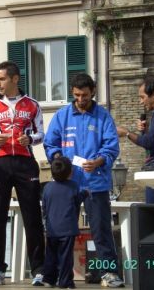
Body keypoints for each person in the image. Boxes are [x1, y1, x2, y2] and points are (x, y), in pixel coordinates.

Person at [44, 73, 124, 288]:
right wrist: (58, 159)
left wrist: (98, 162)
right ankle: (53, 275)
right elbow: (50, 144)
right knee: (58, 232)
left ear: (93, 91)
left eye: (85, 95)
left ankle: (109, 273)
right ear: (72, 92)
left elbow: (111, 146)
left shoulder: (103, 116)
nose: (81, 99)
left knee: (101, 230)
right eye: (77, 95)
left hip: (94, 183)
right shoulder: (61, 116)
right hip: (65, 185)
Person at [0, 61, 45, 286]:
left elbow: (41, 135)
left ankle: (38, 268)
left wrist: (30, 139)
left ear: (15, 79)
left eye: (1, 79)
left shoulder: (33, 105)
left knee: (33, 217)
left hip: (25, 163)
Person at [42, 156, 88, 289]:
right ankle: (65, 282)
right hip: (67, 228)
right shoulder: (73, 186)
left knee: (51, 255)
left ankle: (49, 279)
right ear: (70, 172)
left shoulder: (47, 187)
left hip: (51, 228)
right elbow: (76, 201)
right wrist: (85, 193)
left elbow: (44, 207)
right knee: (65, 257)